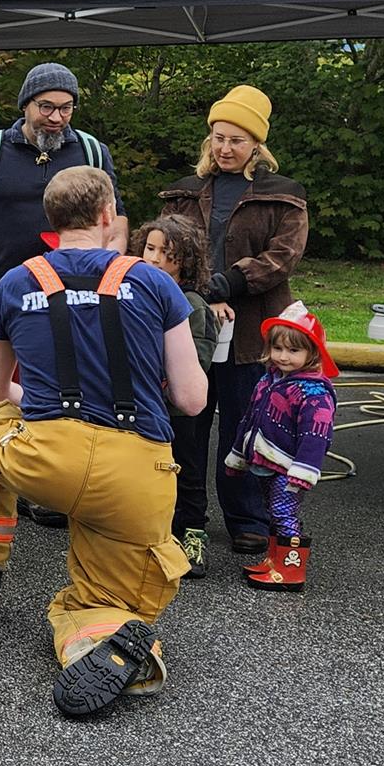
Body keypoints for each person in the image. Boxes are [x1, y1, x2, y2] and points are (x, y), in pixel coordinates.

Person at [0, 166, 206, 718]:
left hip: (43, 462)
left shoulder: (14, 283)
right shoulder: (156, 284)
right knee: (105, 598)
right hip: (135, 474)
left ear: (50, 223)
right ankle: (103, 640)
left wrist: (42, 392)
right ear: (109, 218)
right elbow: (192, 398)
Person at [0, 61, 126, 526]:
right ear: (25, 105)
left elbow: (117, 217)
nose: (57, 117)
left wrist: (111, 272)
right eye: (47, 107)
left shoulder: (90, 151)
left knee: (60, 389)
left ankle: (46, 486)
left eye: (66, 108)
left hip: (71, 299)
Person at [158, 85, 309, 558]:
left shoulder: (285, 197)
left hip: (254, 331)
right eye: (218, 137)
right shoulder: (181, 193)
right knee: (187, 422)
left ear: (257, 146)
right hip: (191, 323)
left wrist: (226, 286)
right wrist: (204, 294)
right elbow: (165, 249)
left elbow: (281, 259)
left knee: (247, 426)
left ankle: (247, 518)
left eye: (237, 140)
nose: (225, 148)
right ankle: (185, 516)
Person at [224, 303, 338, 590]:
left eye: (293, 351)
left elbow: (316, 435)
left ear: (312, 352)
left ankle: (291, 571)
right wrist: (238, 456)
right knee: (273, 512)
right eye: (278, 349)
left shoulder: (314, 392)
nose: (283, 357)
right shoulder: (269, 380)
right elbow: (249, 419)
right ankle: (275, 561)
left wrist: (304, 470)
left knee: (284, 513)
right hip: (266, 464)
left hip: (289, 469)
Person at [135, 214, 218, 576]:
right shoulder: (135, 294)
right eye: (149, 248)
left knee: (188, 470)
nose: (153, 258)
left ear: (186, 260)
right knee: (146, 472)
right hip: (144, 406)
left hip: (179, 410)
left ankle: (194, 534)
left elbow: (198, 359)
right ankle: (154, 536)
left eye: (165, 252)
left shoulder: (193, 305)